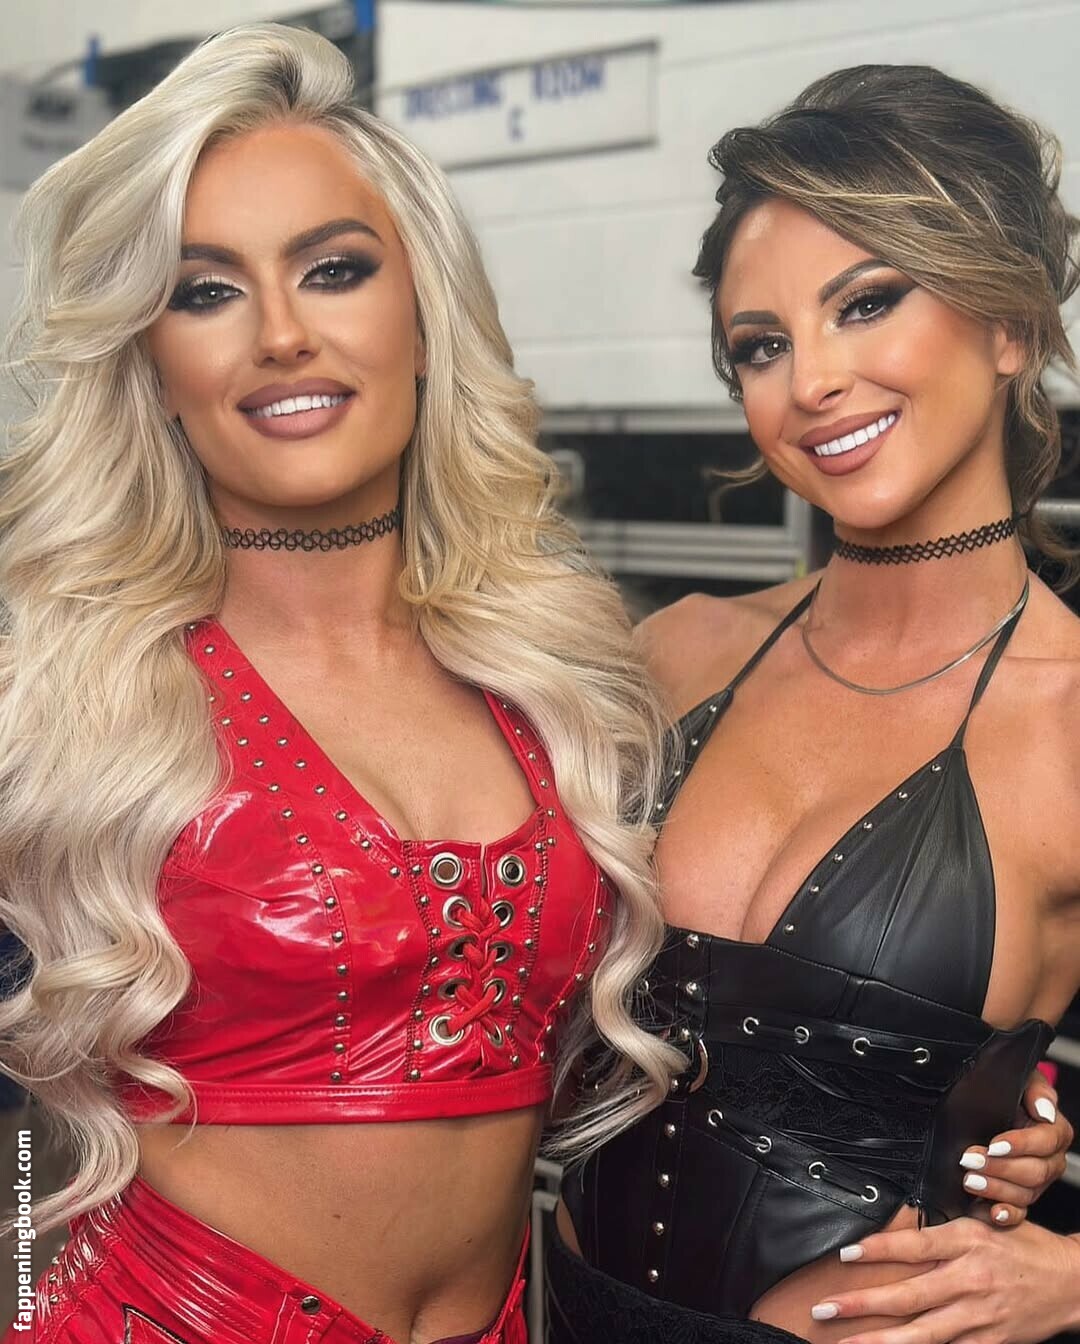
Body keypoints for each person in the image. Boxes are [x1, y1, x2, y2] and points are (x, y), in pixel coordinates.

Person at [0, 24, 688, 1344]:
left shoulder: (556, 683)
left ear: (422, 318)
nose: (281, 334)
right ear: (154, 370)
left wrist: (973, 1109)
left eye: (333, 270)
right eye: (206, 292)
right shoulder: (68, 708)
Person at [548, 65, 1080, 1344]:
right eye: (762, 345)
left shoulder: (1068, 717)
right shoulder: (677, 654)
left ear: (1010, 324)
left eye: (867, 303)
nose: (812, 381)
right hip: (567, 1307)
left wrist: (1071, 1279)